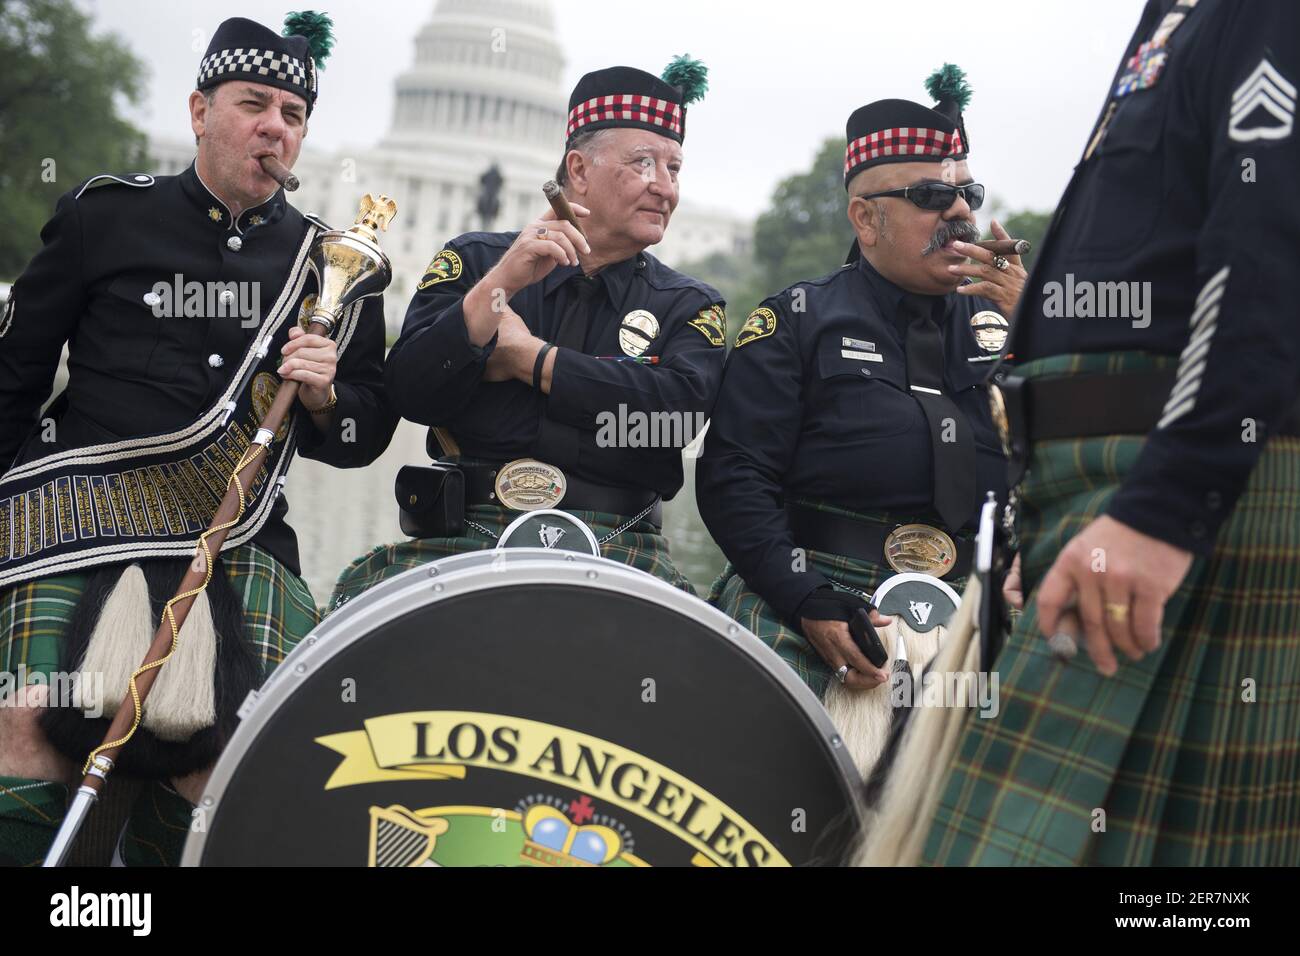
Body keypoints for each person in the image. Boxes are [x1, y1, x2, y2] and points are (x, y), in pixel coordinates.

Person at [0, 14, 397, 866]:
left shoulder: (336, 267)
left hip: (240, 539)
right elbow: (13, 382)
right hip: (78, 527)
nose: (275, 128)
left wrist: (326, 396)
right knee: (19, 736)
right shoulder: (102, 219)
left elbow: (361, 440)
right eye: (255, 104)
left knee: (242, 766)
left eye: (293, 114)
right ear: (198, 111)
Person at [924, 0, 1300, 865]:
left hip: (1184, 499)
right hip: (1112, 496)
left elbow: (1266, 247)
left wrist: (1165, 511)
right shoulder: (1183, 14)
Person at [696, 67, 1025, 769]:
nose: (960, 213)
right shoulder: (795, 320)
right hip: (820, 613)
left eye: (969, 193)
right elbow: (734, 477)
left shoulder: (1011, 324)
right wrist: (807, 600)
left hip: (974, 628)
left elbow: (1072, 470)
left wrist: (1046, 341)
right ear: (865, 218)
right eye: (933, 195)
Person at [329, 59, 725, 608]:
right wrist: (497, 288)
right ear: (579, 171)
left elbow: (671, 421)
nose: (665, 188)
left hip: (619, 547)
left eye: (674, 169)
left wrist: (531, 360)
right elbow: (410, 393)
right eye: (643, 163)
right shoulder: (476, 262)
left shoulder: (689, 304)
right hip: (464, 539)